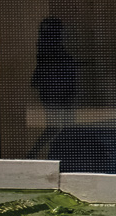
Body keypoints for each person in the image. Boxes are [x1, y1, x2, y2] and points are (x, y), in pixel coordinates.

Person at [28, 16, 79, 159]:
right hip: (56, 88)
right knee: (60, 127)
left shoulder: (46, 48)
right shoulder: (51, 49)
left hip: (56, 88)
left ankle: (53, 156)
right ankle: (42, 156)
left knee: (63, 127)